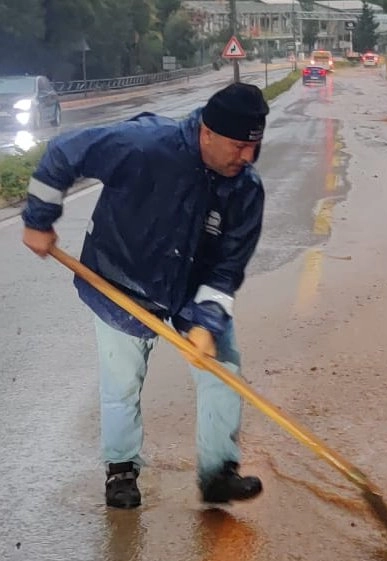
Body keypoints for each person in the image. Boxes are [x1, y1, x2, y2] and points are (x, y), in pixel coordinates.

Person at [21, 82, 270, 509]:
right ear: (207, 133)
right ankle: (120, 470)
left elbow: (227, 267)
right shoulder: (145, 146)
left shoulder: (245, 189)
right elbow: (64, 153)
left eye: (254, 146)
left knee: (223, 373)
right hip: (122, 280)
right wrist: (38, 219)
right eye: (238, 146)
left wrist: (207, 323)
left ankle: (218, 474)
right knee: (122, 383)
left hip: (191, 288)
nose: (247, 158)